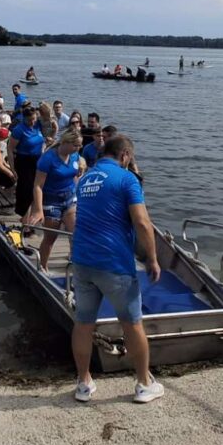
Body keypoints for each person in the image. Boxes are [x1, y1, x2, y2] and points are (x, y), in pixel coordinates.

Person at [69, 133, 163, 404]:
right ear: (124, 156)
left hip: (83, 262)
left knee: (84, 324)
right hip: (114, 263)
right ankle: (144, 384)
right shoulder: (126, 179)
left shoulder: (85, 179)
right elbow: (143, 223)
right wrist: (153, 259)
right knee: (132, 324)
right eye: (129, 158)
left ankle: (84, 383)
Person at [25, 128, 85, 270]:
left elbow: (76, 170)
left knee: (76, 234)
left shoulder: (75, 155)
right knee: (50, 238)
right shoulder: (47, 159)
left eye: (80, 145)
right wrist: (38, 210)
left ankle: (76, 264)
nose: (79, 148)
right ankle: (43, 266)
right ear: (65, 142)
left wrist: (81, 167)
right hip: (51, 203)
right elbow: (38, 186)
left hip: (70, 199)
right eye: (76, 145)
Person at [8, 105, 45, 217]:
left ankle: (36, 210)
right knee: (26, 188)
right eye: (30, 120)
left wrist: (43, 149)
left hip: (38, 159)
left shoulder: (37, 125)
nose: (32, 122)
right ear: (24, 118)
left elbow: (43, 140)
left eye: (34, 119)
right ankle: (22, 213)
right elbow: (10, 149)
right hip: (24, 161)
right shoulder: (19, 130)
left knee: (38, 185)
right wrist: (12, 168)